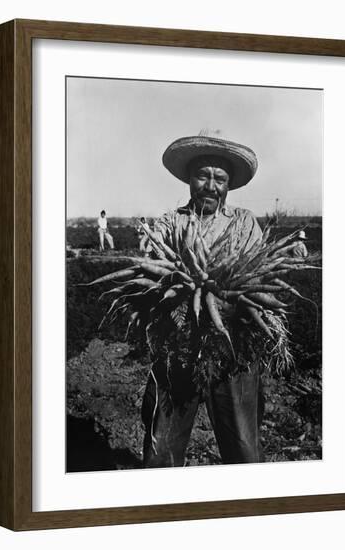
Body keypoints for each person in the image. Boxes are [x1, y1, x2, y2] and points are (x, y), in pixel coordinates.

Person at [141, 133, 264, 468]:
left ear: (229, 184)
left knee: (243, 447)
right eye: (203, 176)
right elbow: (155, 278)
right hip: (176, 348)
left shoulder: (243, 223)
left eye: (219, 178)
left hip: (233, 349)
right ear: (190, 179)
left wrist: (229, 305)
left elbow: (256, 281)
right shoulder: (170, 223)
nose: (210, 185)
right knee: (161, 449)